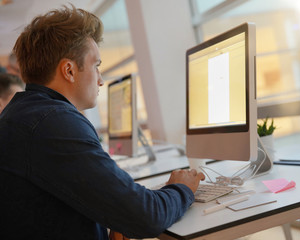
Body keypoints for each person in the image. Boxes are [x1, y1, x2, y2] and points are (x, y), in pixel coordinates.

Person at [0, 5, 205, 240]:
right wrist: (182, 188)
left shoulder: (26, 114)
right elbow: (147, 217)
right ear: (69, 70)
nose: (101, 79)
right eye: (96, 66)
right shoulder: (53, 122)